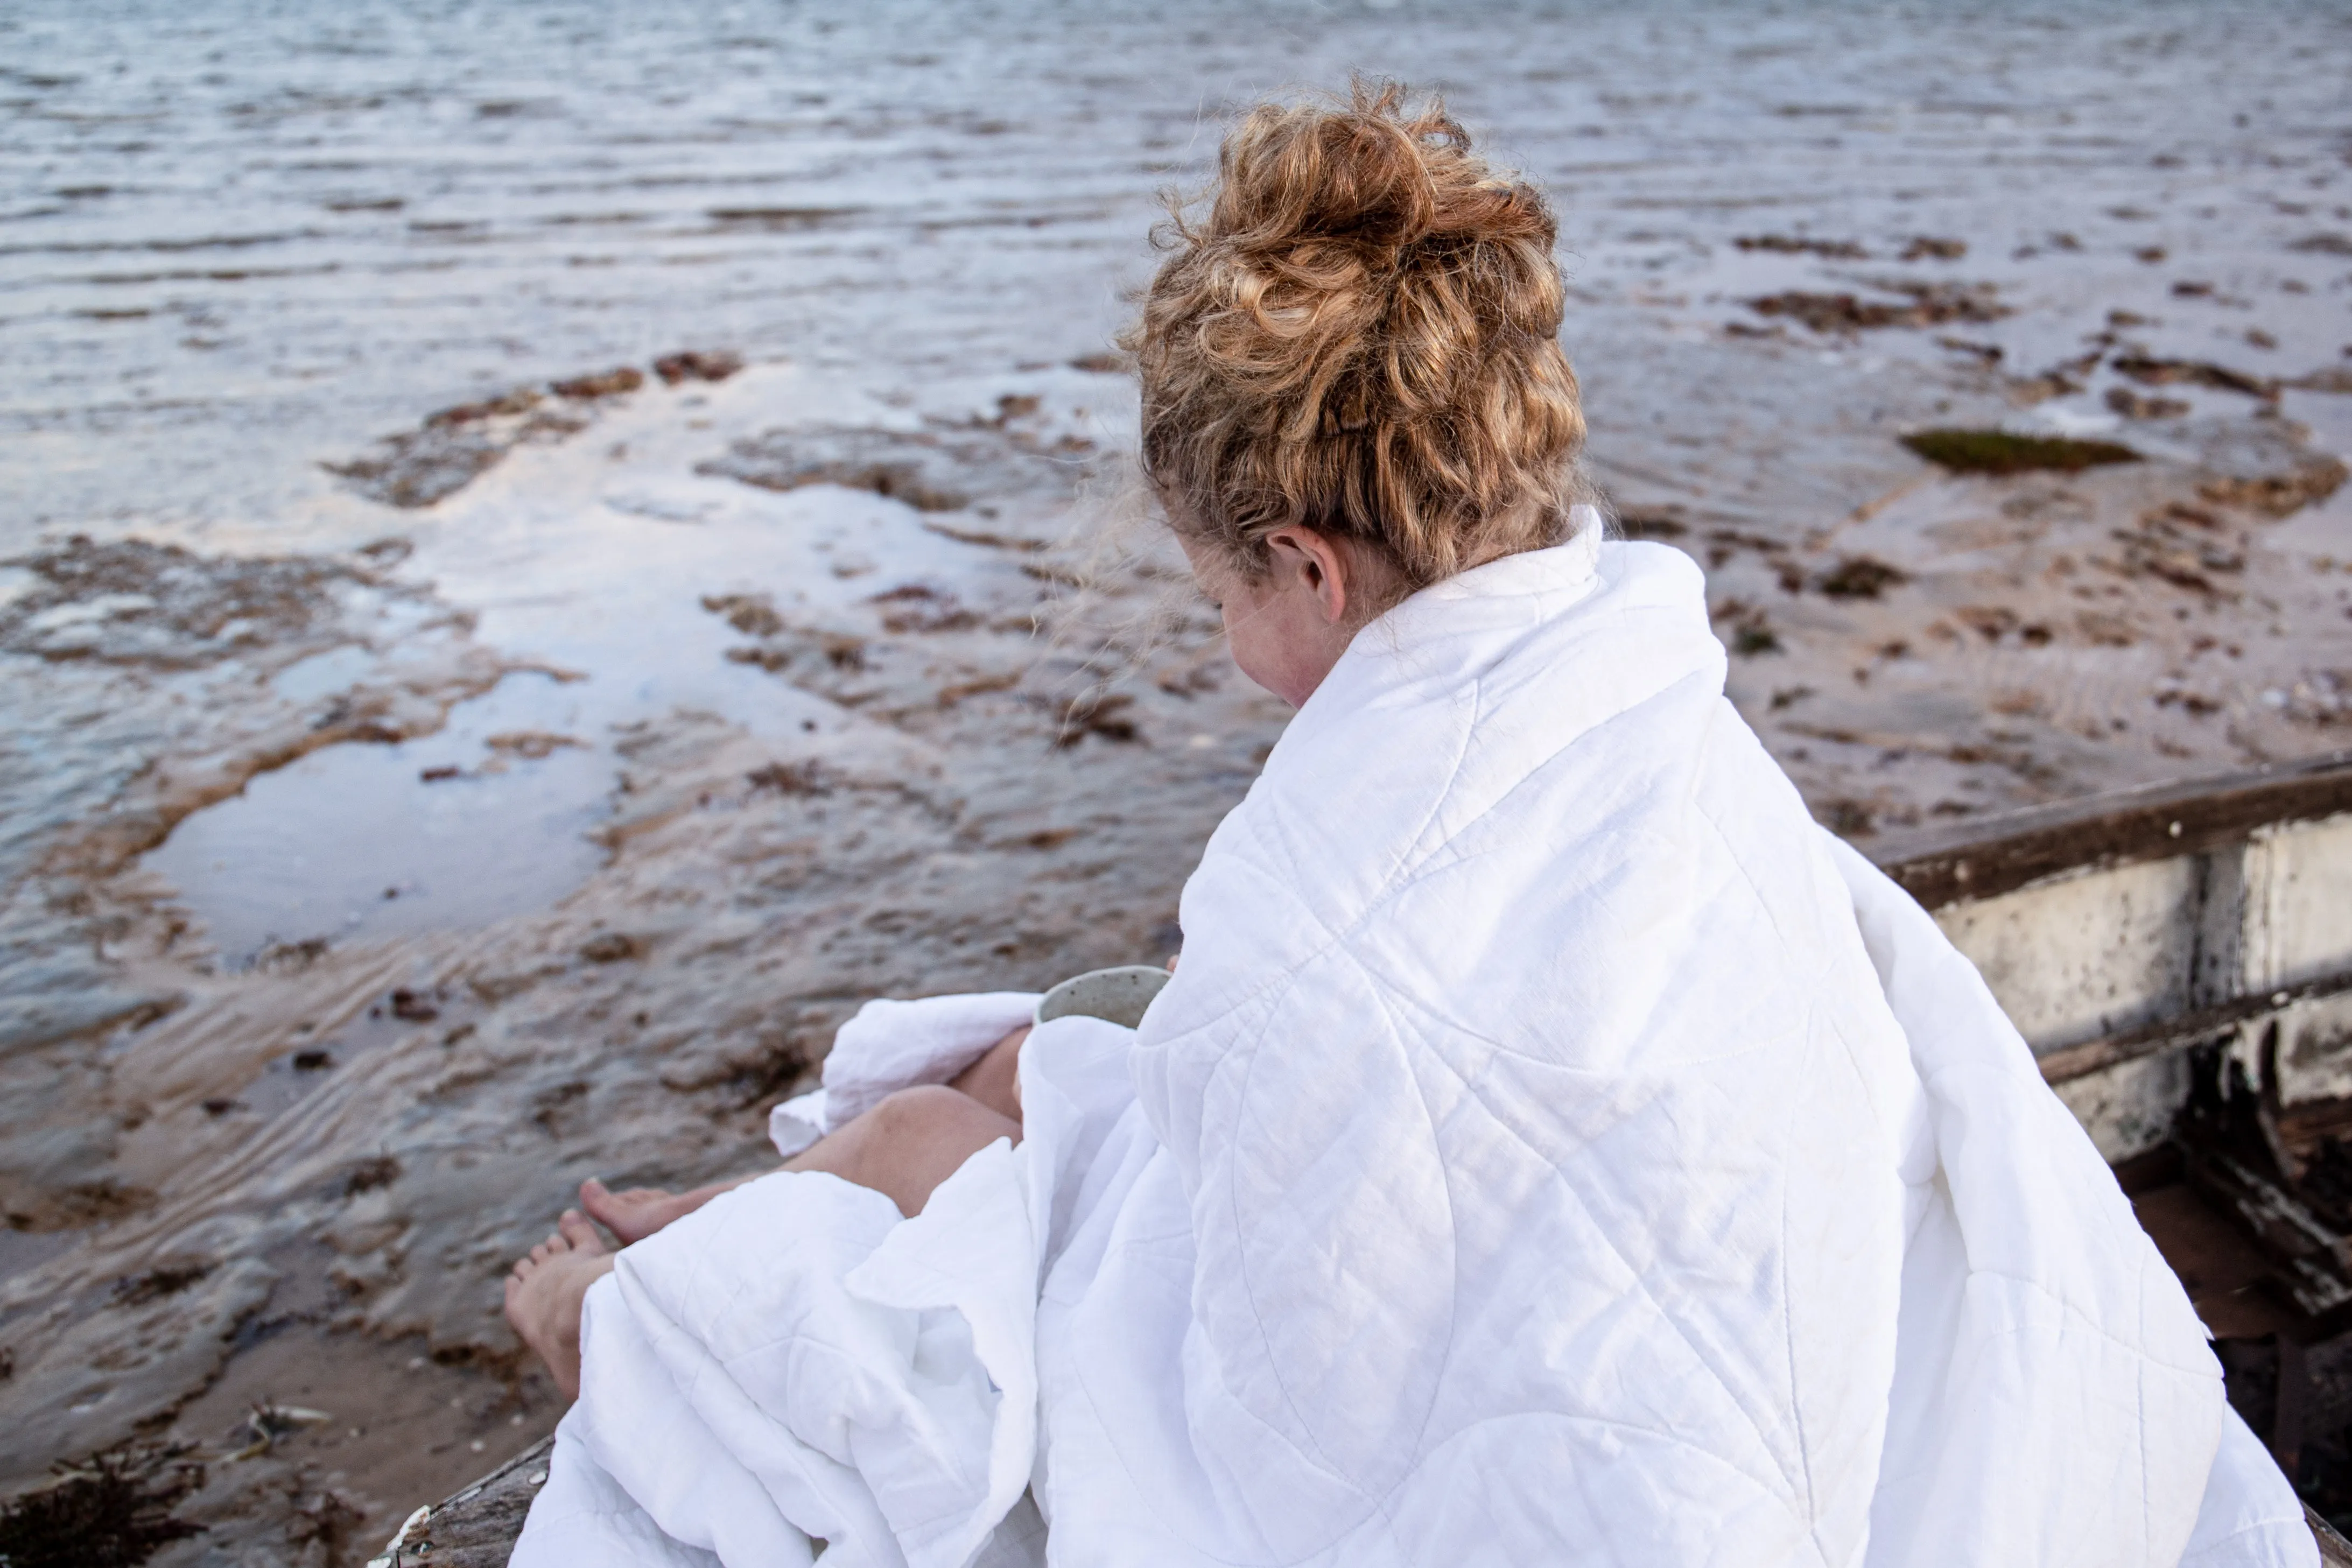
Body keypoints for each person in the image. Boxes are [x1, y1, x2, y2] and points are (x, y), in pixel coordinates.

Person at [506, 83, 2316, 1567]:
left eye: (1221, 593)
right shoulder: (1622, 691)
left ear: (1305, 559)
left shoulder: (1346, 909)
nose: (1224, 642)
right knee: (1059, 1035)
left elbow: (1274, 1418)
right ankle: (739, 1209)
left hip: (1614, 1350)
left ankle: (631, 1312)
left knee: (928, 1128)